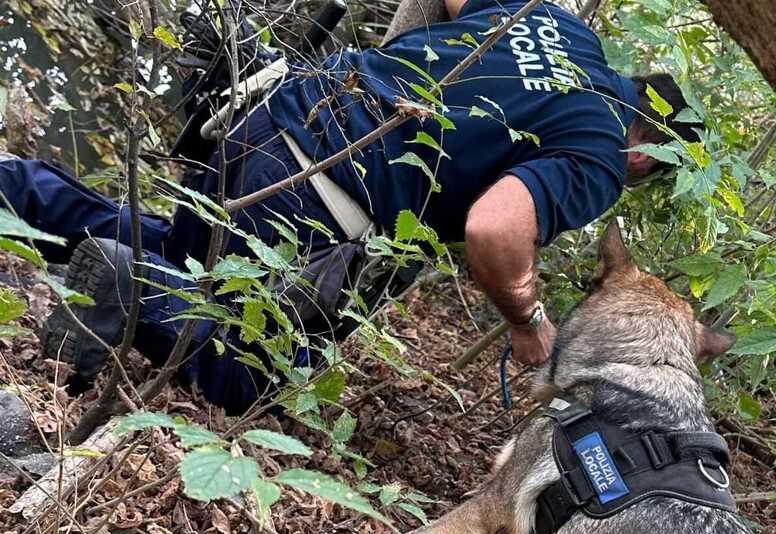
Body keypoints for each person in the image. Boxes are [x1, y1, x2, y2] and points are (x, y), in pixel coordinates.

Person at [0, 0, 702, 414]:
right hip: (321, 192)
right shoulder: (601, 154)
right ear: (650, 151)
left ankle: (17, 188)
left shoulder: (553, 22)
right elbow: (495, 228)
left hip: (277, 112)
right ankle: (131, 291)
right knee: (260, 378)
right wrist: (527, 320)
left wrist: (408, 71)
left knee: (183, 250)